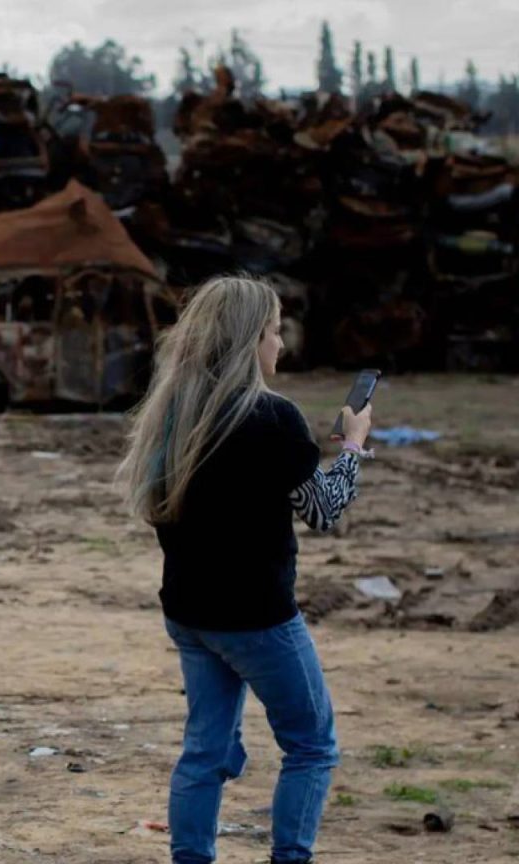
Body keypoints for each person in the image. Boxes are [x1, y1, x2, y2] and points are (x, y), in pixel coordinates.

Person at [115, 275, 373, 864]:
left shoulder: (171, 411)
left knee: (205, 751)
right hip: (257, 618)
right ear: (247, 339)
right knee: (312, 746)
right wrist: (353, 446)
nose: (281, 344)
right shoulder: (273, 417)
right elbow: (324, 510)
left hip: (189, 613)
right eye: (273, 332)